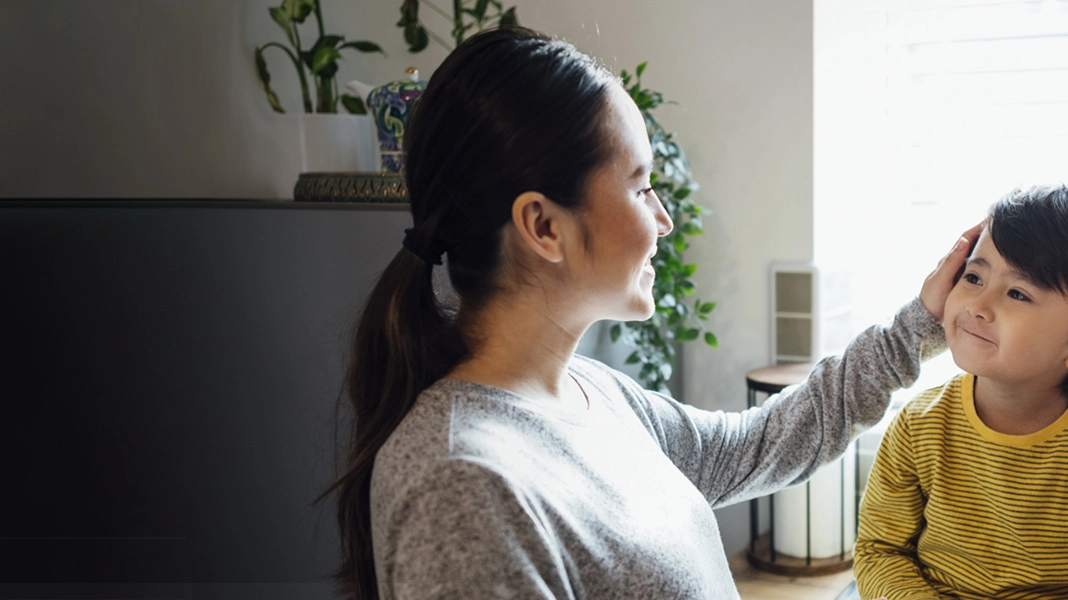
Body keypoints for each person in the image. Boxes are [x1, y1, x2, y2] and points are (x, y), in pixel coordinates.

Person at [317, 26, 981, 598]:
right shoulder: (463, 484)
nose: (664, 219)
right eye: (640, 187)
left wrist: (922, 322)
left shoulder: (594, 396)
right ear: (543, 226)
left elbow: (760, 446)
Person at [855, 185, 1068, 599]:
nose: (977, 306)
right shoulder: (919, 425)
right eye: (973, 277)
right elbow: (880, 551)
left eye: (1018, 293)